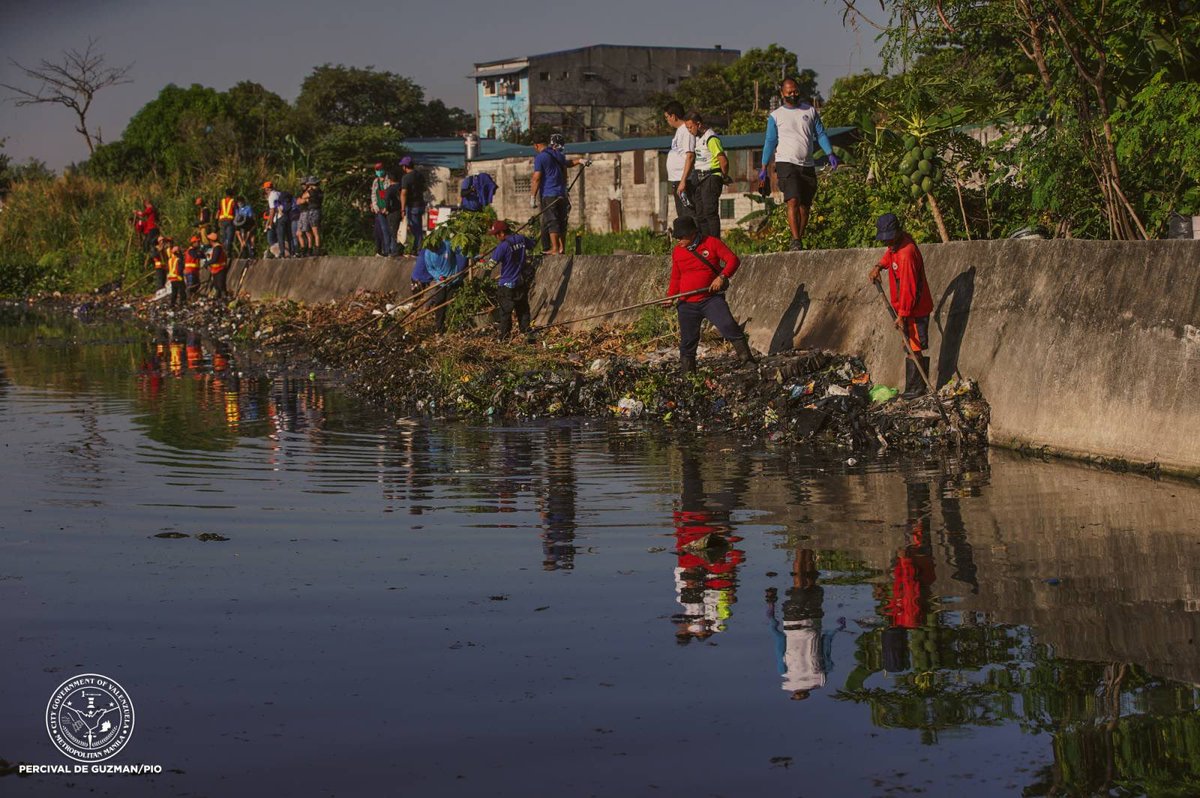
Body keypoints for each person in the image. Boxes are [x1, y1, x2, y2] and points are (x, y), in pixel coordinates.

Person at [758, 78, 840, 251]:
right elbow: (770, 141)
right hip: (786, 163)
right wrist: (764, 167)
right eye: (789, 92)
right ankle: (795, 239)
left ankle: (798, 240)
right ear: (782, 94)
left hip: (807, 164)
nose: (793, 94)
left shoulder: (810, 111)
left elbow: (821, 133)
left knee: (805, 207)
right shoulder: (776, 116)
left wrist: (830, 153)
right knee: (793, 200)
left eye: (795, 91)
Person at [666, 216, 754, 373]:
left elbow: (733, 260)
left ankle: (747, 360)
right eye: (676, 237)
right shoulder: (678, 252)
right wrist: (670, 297)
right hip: (686, 303)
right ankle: (689, 374)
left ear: (692, 233)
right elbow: (676, 277)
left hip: (710, 299)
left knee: (728, 326)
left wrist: (722, 276)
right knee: (688, 340)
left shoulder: (711, 243)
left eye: (681, 237)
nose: (678, 240)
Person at [869, 213, 933, 399]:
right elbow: (889, 255)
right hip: (906, 308)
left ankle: (916, 388)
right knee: (910, 345)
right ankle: (914, 387)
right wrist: (878, 266)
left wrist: (903, 315)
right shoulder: (897, 245)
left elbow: (908, 289)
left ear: (896, 233)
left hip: (914, 308)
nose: (886, 242)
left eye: (889, 237)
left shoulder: (906, 254)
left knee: (913, 347)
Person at [530, 132, 587, 255]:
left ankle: (555, 248)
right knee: (561, 221)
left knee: (551, 221)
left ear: (536, 146)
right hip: (562, 194)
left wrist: (532, 197)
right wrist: (581, 160)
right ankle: (561, 248)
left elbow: (536, 178)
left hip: (549, 194)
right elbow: (568, 164)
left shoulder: (540, 157)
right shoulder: (558, 154)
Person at [486, 220, 534, 339]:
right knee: (522, 310)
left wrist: (479, 265)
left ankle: (504, 337)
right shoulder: (521, 239)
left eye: (497, 234)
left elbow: (490, 265)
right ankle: (526, 333)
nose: (496, 237)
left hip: (506, 284)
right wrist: (532, 229)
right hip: (520, 282)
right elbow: (532, 244)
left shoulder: (502, 246)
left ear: (502, 233)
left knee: (505, 313)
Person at [683, 111, 728, 239]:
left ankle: (714, 242)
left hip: (711, 176)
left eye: (690, 127)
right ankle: (705, 243)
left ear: (698, 124)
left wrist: (722, 177)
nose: (689, 130)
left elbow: (723, 161)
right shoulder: (698, 138)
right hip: (699, 178)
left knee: (710, 212)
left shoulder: (711, 138)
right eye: (687, 128)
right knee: (700, 213)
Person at [418, 240, 468, 333]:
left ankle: (452, 326)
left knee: (451, 304)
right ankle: (439, 328)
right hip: (441, 282)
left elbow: (462, 251)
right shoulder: (428, 253)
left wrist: (474, 256)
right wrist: (439, 277)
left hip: (454, 280)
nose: (433, 250)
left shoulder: (447, 245)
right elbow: (430, 268)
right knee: (440, 304)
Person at [663, 102, 696, 221]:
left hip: (685, 180)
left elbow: (690, 156)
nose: (667, 121)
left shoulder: (686, 130)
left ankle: (694, 239)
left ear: (673, 116)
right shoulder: (679, 131)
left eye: (667, 117)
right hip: (677, 180)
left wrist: (683, 181)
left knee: (688, 214)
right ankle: (686, 239)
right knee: (682, 214)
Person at [399, 156, 426, 255]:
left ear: (405, 166)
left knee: (415, 228)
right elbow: (424, 188)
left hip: (411, 206)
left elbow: (403, 193)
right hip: (420, 204)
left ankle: (419, 248)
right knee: (417, 226)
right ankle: (416, 248)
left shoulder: (406, 178)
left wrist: (402, 209)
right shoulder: (419, 175)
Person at [298, 177, 322, 256]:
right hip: (316, 211)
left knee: (315, 232)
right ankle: (316, 248)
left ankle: (317, 249)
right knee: (315, 231)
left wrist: (308, 191)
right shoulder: (319, 191)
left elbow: (304, 197)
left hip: (313, 211)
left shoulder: (312, 191)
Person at [371, 162, 390, 257]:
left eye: (380, 169)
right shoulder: (375, 182)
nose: (379, 171)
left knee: (388, 230)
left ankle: (388, 250)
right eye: (377, 170)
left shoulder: (388, 180)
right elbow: (373, 195)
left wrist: (387, 207)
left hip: (388, 209)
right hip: (379, 209)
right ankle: (383, 250)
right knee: (382, 230)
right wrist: (375, 207)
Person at [204, 231, 229, 301]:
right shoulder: (215, 248)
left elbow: (215, 259)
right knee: (217, 286)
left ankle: (224, 299)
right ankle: (219, 299)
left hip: (220, 269)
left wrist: (207, 263)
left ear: (211, 240)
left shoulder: (217, 248)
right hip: (216, 270)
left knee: (221, 286)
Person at [383, 174, 402, 257]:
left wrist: (387, 209)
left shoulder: (390, 189)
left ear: (390, 180)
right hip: (402, 211)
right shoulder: (402, 187)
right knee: (401, 231)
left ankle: (394, 250)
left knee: (393, 231)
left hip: (393, 212)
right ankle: (400, 248)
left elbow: (387, 200)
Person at [166, 242, 186, 308]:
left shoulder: (169, 260)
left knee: (174, 292)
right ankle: (182, 304)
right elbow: (180, 269)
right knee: (182, 291)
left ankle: (172, 304)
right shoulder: (178, 260)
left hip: (172, 278)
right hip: (178, 277)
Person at [217, 189, 237, 254]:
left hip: (222, 220)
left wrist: (217, 220)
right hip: (229, 221)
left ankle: (223, 252)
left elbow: (218, 211)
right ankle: (228, 252)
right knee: (229, 237)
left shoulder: (222, 201)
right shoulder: (233, 201)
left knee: (224, 237)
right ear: (232, 194)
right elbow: (236, 211)